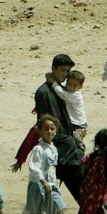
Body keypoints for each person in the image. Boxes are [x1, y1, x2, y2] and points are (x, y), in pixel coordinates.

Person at [34, 55, 84, 202]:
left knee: (81, 193)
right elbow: (45, 125)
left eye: (68, 71)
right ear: (53, 69)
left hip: (69, 151)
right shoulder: (43, 92)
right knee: (46, 195)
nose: (65, 74)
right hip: (58, 151)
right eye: (62, 70)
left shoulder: (65, 90)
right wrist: (69, 140)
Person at [21, 115, 73, 214]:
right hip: (38, 186)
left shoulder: (53, 148)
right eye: (46, 129)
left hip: (52, 186)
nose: (50, 132)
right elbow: (34, 167)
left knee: (61, 209)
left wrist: (53, 183)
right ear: (40, 131)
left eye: (52, 129)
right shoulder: (38, 149)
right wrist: (43, 181)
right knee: (35, 213)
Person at [70, 129, 107, 214]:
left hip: (89, 190)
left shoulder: (93, 157)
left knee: (85, 212)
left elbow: (83, 162)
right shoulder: (106, 159)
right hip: (100, 191)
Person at [49, 69, 88, 150]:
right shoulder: (69, 90)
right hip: (72, 121)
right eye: (69, 84)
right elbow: (63, 86)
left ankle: (81, 151)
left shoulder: (76, 96)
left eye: (75, 85)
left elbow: (62, 94)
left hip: (78, 124)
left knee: (76, 141)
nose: (71, 87)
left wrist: (54, 83)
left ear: (80, 87)